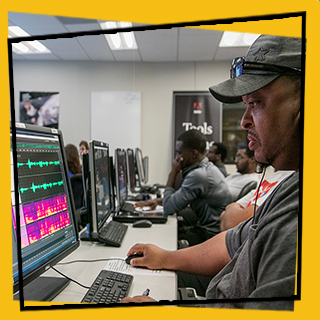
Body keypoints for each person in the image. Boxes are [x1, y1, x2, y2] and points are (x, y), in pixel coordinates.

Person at [120, 34, 301, 310]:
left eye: (256, 102)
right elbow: (234, 241)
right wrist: (165, 257)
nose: (243, 120)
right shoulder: (290, 188)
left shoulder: (298, 222)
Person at [220, 169, 294, 231]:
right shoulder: (274, 176)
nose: (252, 150)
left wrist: (231, 214)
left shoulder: (290, 181)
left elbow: (231, 223)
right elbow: (224, 216)